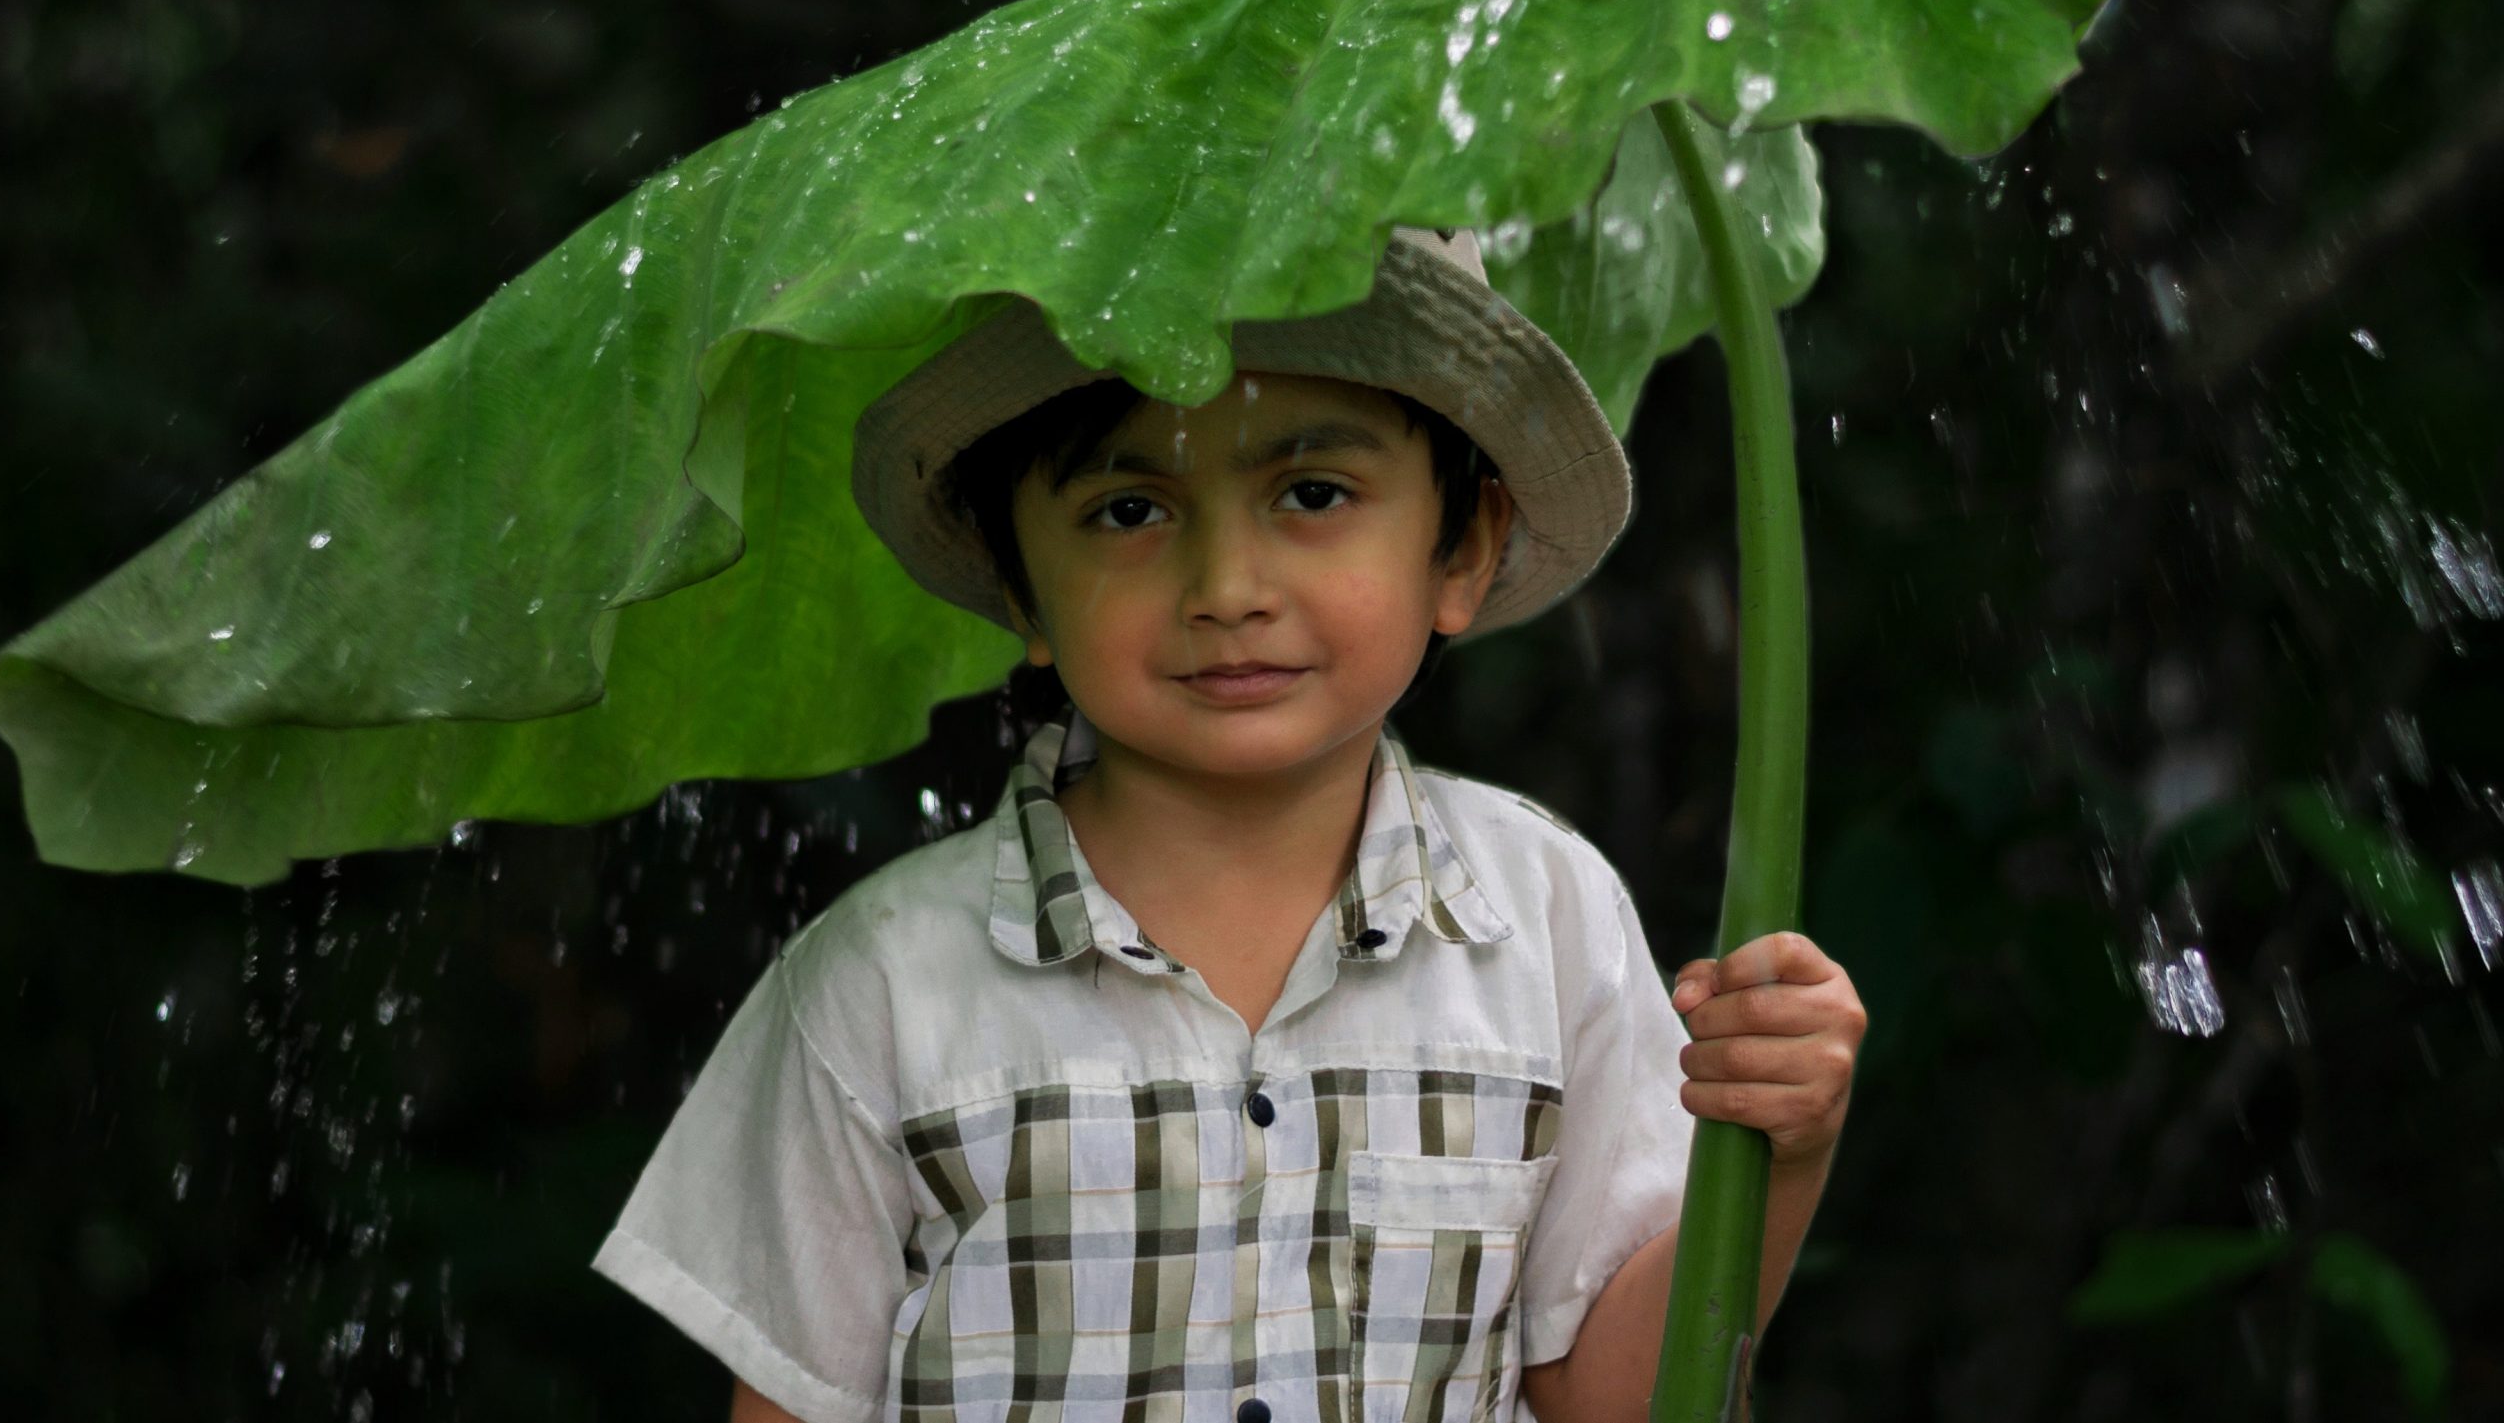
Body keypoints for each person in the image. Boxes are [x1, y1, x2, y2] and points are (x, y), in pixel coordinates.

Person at [590, 226, 1868, 1423]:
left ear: (1463, 548)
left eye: (1311, 492)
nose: (1226, 589)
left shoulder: (1545, 918)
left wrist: (1778, 1153)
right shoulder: (879, 983)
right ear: (1016, 581)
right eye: (1129, 510)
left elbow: (1615, 1401)